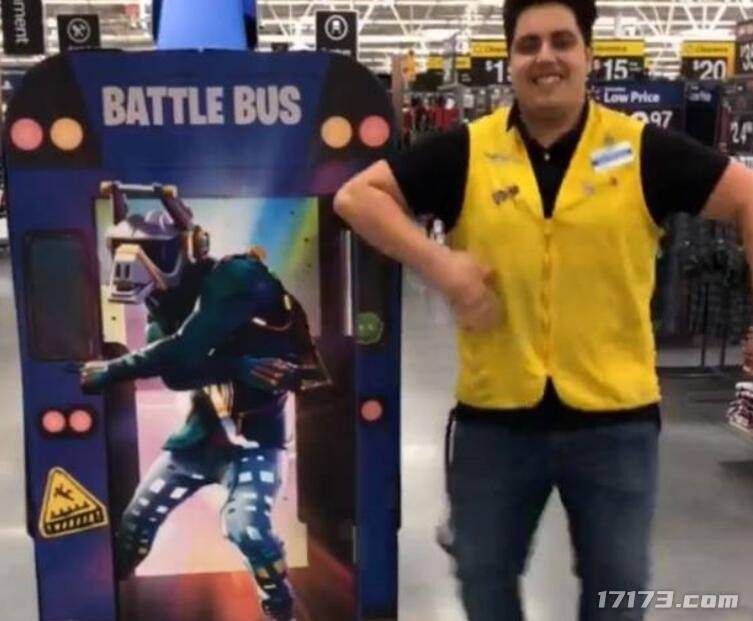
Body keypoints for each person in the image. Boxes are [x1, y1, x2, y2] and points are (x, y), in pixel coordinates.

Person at [333, 1, 753, 619]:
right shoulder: (467, 151)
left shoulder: (642, 150)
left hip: (616, 423)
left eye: (562, 41)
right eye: (528, 45)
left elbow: (746, 197)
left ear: (588, 55)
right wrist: (439, 264)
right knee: (483, 579)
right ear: (510, 60)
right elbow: (355, 196)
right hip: (495, 422)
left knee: (617, 592)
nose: (545, 57)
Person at [80, 184, 327, 621]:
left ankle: (280, 606)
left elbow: (184, 350)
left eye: (152, 254)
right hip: (200, 438)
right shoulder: (169, 307)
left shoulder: (236, 278)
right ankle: (101, 604)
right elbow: (177, 372)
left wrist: (113, 370)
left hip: (256, 439)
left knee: (247, 529)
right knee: (135, 523)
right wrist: (236, 366)